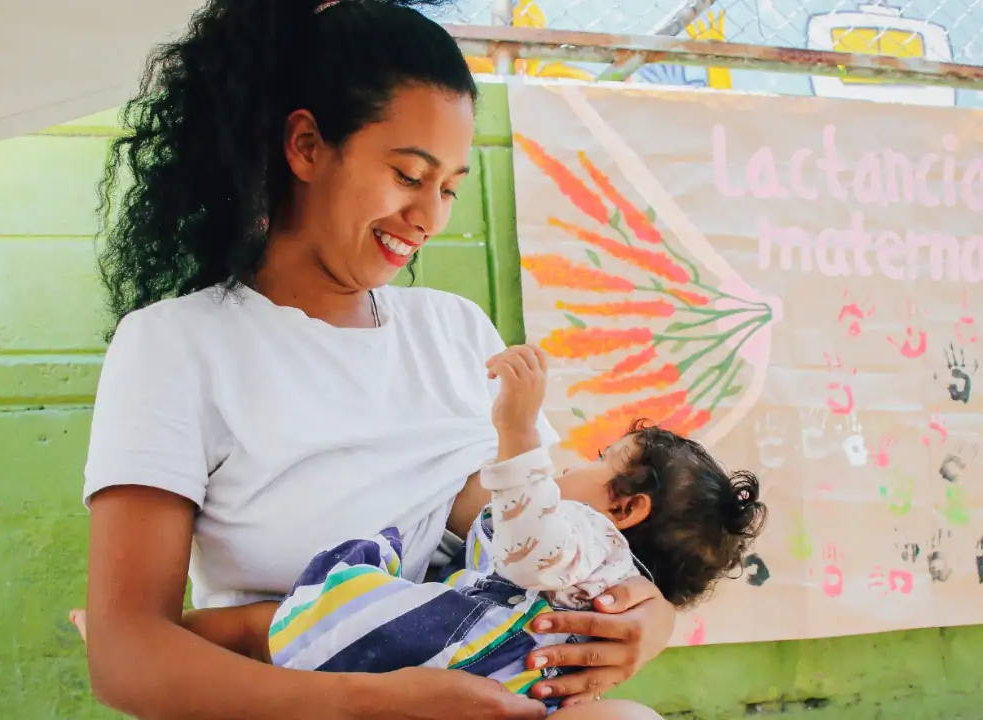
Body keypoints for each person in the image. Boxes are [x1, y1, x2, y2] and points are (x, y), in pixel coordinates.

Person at [73, 0, 682, 717]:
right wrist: (367, 703)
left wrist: (650, 619)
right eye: (408, 174)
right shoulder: (176, 346)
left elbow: (560, 525)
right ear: (305, 146)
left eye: (450, 187)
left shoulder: (457, 331)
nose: (430, 218)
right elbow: (124, 655)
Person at [165, 345, 766, 716]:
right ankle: (158, 642)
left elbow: (533, 541)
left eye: (598, 460)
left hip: (455, 648)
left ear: (626, 510)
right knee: (272, 626)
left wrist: (520, 430)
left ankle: (168, 639)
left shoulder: (588, 538)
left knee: (289, 620)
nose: (571, 463)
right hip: (495, 674)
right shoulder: (598, 566)